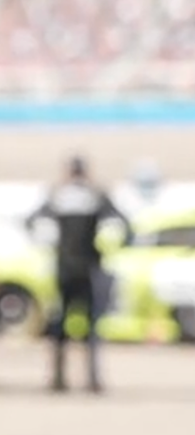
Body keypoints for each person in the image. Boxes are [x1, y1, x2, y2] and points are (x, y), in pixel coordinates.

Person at [25, 156, 131, 394]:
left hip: (64, 266)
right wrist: (113, 246)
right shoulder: (95, 195)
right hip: (89, 266)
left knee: (60, 323)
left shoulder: (57, 195)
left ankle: (58, 378)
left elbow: (31, 220)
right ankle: (92, 379)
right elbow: (123, 223)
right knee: (91, 325)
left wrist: (46, 244)